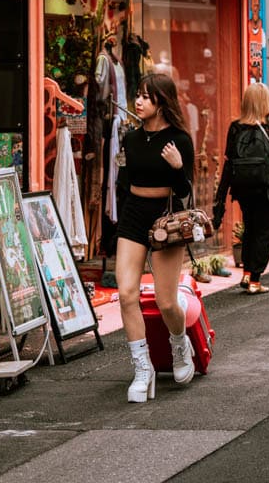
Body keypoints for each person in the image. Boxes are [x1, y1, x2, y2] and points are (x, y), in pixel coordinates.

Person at [115, 73, 195, 402]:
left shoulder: (179, 139)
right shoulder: (131, 139)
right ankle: (142, 369)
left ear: (162, 101)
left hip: (166, 218)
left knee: (165, 301)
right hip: (134, 214)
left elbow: (185, 191)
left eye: (146, 96)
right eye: (138, 95)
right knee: (125, 292)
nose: (139, 101)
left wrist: (177, 166)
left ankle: (180, 344)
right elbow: (122, 181)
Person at [212, 83, 269, 294]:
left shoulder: (236, 127)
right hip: (268, 187)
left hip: (244, 188)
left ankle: (247, 273)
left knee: (249, 228)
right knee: (264, 233)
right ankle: (256, 281)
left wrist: (221, 195)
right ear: (266, 101)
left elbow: (229, 161)